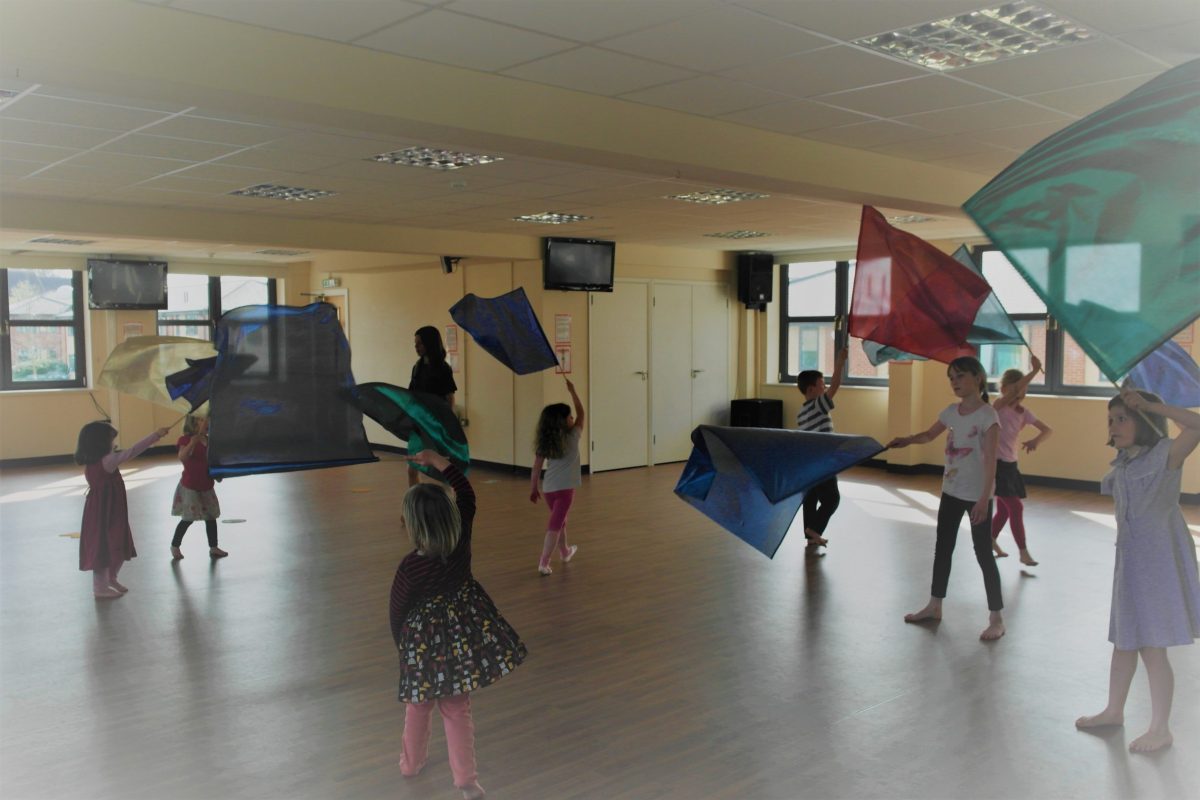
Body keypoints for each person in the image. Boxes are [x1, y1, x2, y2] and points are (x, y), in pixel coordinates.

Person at [391, 450, 526, 800]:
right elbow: (466, 493)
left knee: (419, 704)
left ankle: (410, 763)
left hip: (422, 643)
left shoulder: (412, 567)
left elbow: (398, 610)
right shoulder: (462, 535)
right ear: (450, 516)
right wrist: (439, 462)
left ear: (412, 525)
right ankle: (467, 781)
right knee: (456, 706)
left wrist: (402, 647)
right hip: (458, 637)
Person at [1075, 388, 1200, 753]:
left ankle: (1160, 728)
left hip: (1158, 565)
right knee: (1124, 641)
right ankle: (1114, 710)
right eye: (1110, 420)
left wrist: (1150, 405)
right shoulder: (1124, 464)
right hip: (1130, 564)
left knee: (1152, 648)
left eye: (1122, 418)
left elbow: (1197, 425)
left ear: (1144, 421)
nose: (1114, 425)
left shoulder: (1166, 455)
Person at [887, 356, 1005, 641]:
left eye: (960, 376)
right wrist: (908, 440)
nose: (954, 382)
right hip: (951, 491)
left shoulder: (988, 416)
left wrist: (983, 500)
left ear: (977, 377)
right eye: (951, 378)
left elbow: (991, 462)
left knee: (983, 554)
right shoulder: (951, 412)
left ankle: (996, 618)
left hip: (977, 496)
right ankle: (935, 605)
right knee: (943, 548)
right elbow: (929, 435)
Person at [75, 420, 170, 598]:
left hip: (109, 510)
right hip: (105, 512)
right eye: (111, 440)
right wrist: (155, 435)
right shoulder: (107, 461)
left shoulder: (96, 460)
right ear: (101, 442)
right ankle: (100, 589)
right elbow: (132, 451)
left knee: (118, 543)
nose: (113, 443)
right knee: (103, 547)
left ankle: (111, 577)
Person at [989, 356, 1053, 565]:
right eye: (1017, 389)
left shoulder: (1023, 413)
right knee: (1015, 508)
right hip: (995, 464)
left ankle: (988, 540)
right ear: (1005, 388)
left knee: (1004, 510)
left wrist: (1036, 440)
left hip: (1010, 465)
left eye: (1025, 390)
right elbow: (1014, 391)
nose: (1021, 393)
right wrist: (1035, 370)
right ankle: (1023, 552)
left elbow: (1047, 430)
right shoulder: (997, 406)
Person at [795, 346, 848, 553]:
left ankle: (810, 537)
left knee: (810, 499)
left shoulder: (801, 413)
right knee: (832, 499)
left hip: (808, 463)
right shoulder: (818, 405)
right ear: (811, 390)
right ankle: (814, 529)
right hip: (823, 462)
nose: (825, 388)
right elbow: (835, 386)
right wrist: (840, 363)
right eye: (821, 385)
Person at [530, 377, 585, 576]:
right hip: (565, 491)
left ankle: (564, 551)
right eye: (569, 417)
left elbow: (536, 468)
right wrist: (572, 391)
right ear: (564, 421)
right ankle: (544, 562)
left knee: (561, 520)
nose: (572, 419)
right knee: (555, 524)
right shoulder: (574, 435)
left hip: (549, 489)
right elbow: (582, 413)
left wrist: (533, 488)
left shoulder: (546, 442)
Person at [170, 414, 227, 560]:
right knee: (188, 518)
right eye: (201, 420)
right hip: (191, 486)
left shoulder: (208, 441)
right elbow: (182, 457)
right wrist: (192, 443)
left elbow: (213, 460)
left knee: (211, 517)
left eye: (206, 420)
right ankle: (175, 545)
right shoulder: (185, 440)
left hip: (206, 484)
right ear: (193, 423)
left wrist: (218, 473)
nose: (205, 422)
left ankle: (213, 547)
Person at [408, 325, 457, 488]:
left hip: (436, 423)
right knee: (412, 466)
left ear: (429, 344)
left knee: (441, 465)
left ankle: (449, 499)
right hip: (419, 423)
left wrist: (449, 424)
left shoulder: (443, 369)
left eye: (420, 343)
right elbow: (411, 395)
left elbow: (449, 397)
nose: (416, 347)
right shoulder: (417, 368)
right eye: (415, 343)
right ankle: (413, 500)